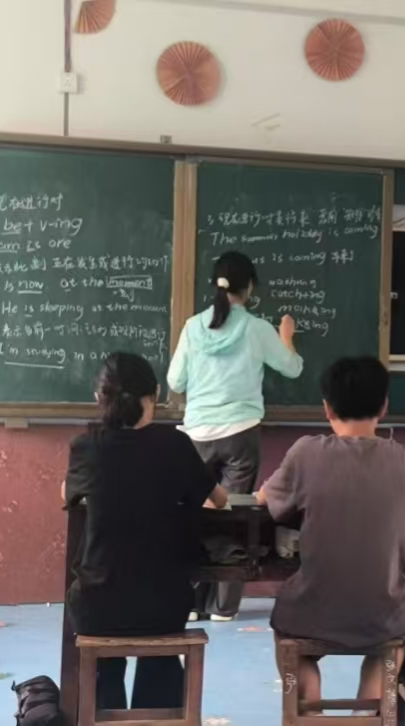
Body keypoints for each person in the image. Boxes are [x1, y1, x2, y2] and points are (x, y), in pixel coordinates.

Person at [256, 357, 405, 714]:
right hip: (385, 614)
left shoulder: (305, 453)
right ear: (384, 406)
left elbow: (265, 500)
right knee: (392, 641)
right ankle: (367, 712)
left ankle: (308, 712)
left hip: (311, 610)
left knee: (289, 636)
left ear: (327, 408)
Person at [62, 353, 226, 711]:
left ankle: (102, 711)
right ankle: (158, 715)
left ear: (99, 398)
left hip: (98, 605)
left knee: (103, 658)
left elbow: (67, 495)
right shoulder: (175, 444)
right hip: (165, 605)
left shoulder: (86, 445)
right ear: (155, 394)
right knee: (161, 659)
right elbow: (219, 499)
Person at [167, 250, 303, 621]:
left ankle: (190, 603)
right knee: (234, 516)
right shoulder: (258, 329)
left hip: (196, 434)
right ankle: (223, 607)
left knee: (193, 514)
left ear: (215, 285)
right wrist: (286, 338)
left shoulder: (193, 327)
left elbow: (175, 381)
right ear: (250, 287)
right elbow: (292, 368)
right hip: (240, 435)